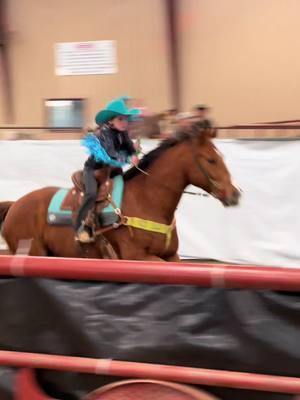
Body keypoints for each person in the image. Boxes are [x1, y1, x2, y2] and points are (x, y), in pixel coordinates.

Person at [75, 97, 141, 243]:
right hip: (94, 170)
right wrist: (129, 159)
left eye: (126, 119)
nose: (124, 123)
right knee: (91, 194)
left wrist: (135, 153)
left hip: (112, 170)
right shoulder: (104, 133)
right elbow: (110, 154)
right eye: (120, 119)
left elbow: (130, 149)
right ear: (111, 121)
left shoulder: (123, 133)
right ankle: (80, 227)